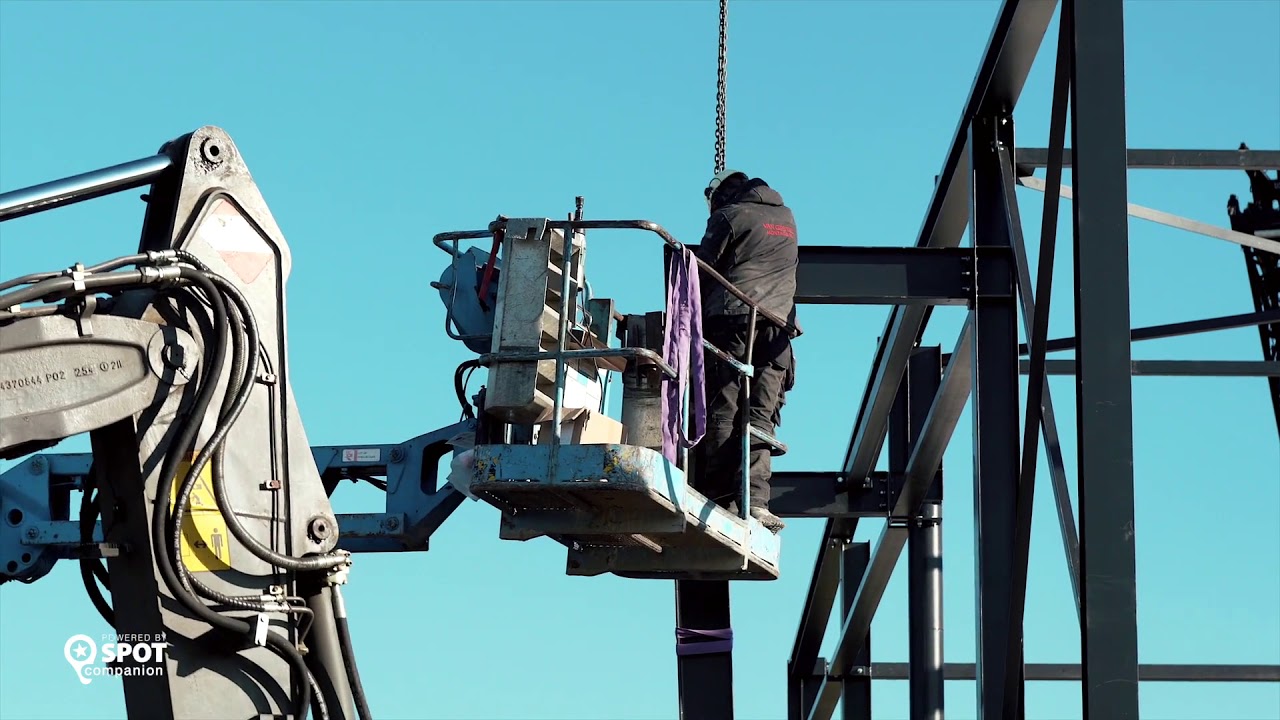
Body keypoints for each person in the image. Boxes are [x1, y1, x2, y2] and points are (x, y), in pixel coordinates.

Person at [692, 169, 799, 533]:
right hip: (778, 329)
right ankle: (756, 503)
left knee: (725, 406)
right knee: (760, 417)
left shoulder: (729, 216)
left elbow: (701, 271)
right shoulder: (786, 217)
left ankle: (720, 499)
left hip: (735, 321)